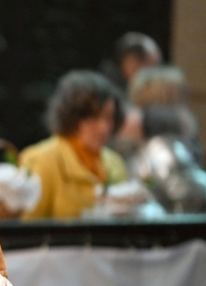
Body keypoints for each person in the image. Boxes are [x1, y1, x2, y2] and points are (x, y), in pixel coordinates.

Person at [19, 70, 128, 220]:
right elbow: (26, 226)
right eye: (93, 117)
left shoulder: (115, 163)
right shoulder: (41, 160)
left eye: (109, 117)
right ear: (71, 116)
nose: (104, 127)